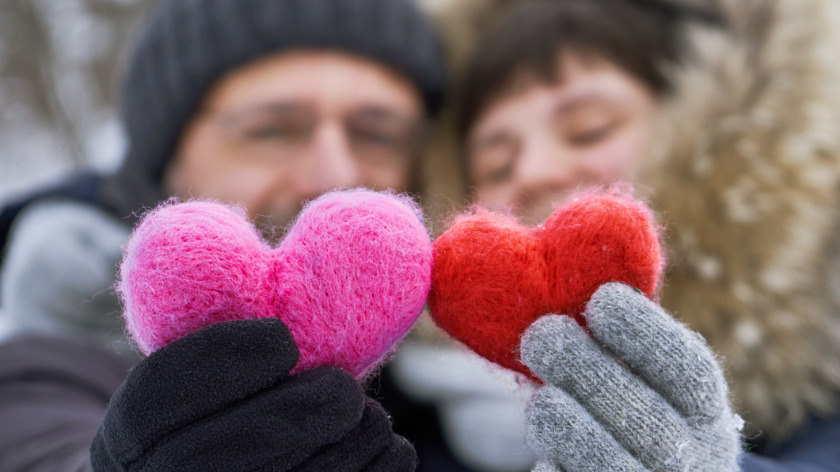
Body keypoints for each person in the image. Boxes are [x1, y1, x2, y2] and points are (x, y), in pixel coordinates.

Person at [0, 0, 447, 470]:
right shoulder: (53, 356)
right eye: (271, 130)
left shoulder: (466, 392)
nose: (333, 174)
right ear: (166, 160)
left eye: (378, 134)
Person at [424, 0, 840, 470]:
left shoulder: (826, 373)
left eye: (588, 130)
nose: (533, 171)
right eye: (497, 165)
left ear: (707, 137)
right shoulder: (398, 420)